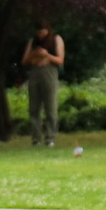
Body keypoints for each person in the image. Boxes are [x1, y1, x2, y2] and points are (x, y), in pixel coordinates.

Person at [22, 19, 66, 147]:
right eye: (38, 32)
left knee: (50, 107)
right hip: (35, 73)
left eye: (43, 32)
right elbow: (24, 60)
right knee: (34, 108)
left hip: (49, 73)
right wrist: (34, 54)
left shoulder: (56, 39)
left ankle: (50, 138)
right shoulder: (33, 41)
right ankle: (36, 138)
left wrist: (47, 55)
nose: (41, 35)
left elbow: (60, 60)